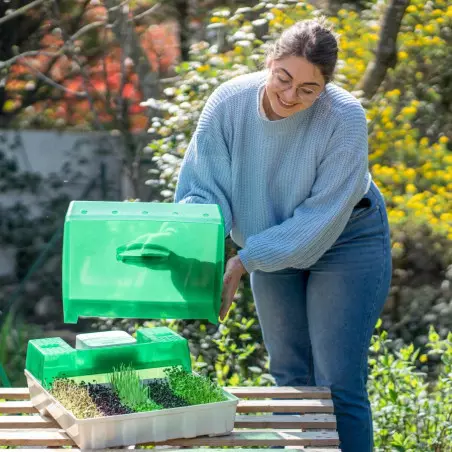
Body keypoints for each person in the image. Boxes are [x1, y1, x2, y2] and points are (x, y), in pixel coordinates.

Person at [174, 17, 391, 452]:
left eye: (308, 89)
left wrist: (243, 261)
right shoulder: (229, 103)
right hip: (267, 240)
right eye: (284, 79)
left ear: (326, 86)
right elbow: (202, 189)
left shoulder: (344, 117)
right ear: (270, 62)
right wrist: (197, 250)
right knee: (290, 377)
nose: (291, 96)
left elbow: (320, 219)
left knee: (338, 382)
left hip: (345, 239)